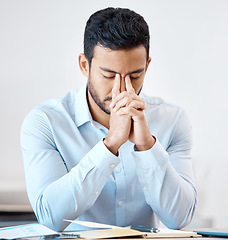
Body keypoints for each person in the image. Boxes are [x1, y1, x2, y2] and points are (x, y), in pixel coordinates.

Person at [20, 7, 197, 232]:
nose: (121, 89)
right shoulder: (45, 122)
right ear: (85, 65)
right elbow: (50, 216)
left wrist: (147, 146)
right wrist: (110, 144)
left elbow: (179, 218)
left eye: (135, 75)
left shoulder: (173, 120)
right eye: (109, 75)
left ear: (147, 66)